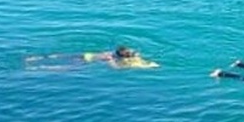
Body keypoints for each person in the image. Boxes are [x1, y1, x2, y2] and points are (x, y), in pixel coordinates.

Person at [24, 45, 159, 70]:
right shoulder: (110, 58)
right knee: (66, 67)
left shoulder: (111, 53)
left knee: (61, 55)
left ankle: (35, 59)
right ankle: (40, 67)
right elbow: (116, 68)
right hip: (86, 60)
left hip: (87, 54)